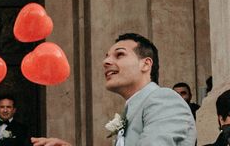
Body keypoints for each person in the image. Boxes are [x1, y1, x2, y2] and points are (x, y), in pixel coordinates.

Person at [31, 32, 196, 146]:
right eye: (106, 56)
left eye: (120, 55)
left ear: (145, 64)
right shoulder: (132, 110)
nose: (106, 62)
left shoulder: (164, 100)